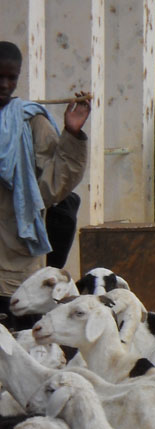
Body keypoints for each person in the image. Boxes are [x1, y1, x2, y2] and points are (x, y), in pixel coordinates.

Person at [0, 41, 90, 295]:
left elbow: (52, 187)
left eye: (11, 77)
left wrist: (72, 134)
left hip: (15, 268)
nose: (5, 84)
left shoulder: (31, 123)